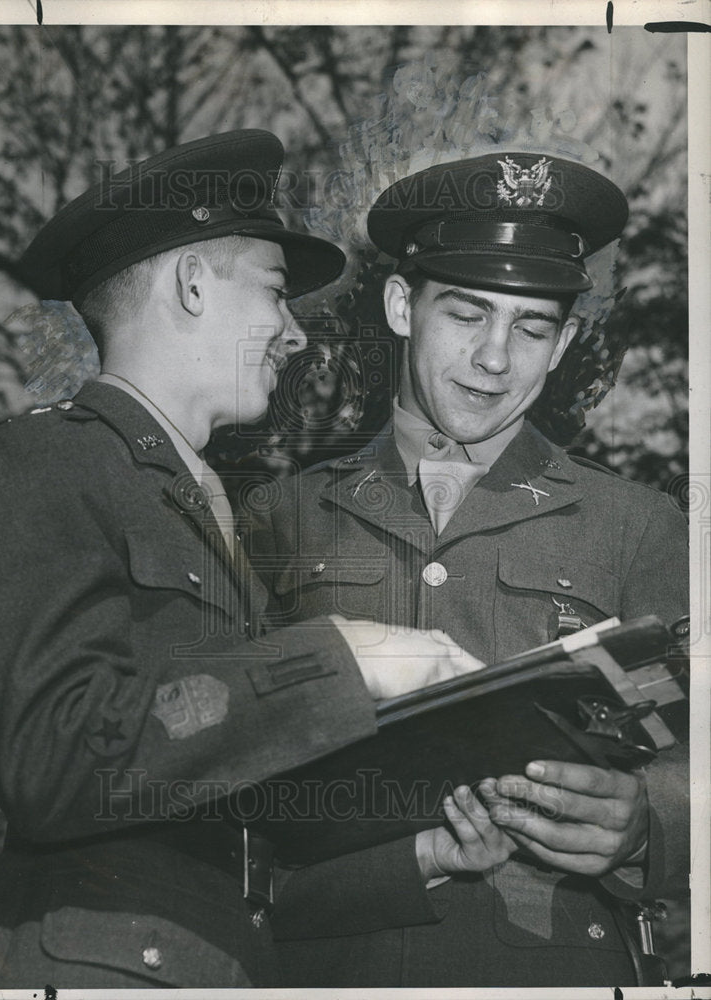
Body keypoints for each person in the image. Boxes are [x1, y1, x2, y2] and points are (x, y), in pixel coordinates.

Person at [0, 130, 485, 989]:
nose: (293, 335)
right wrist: (334, 657)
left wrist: (421, 854)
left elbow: (223, 845)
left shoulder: (195, 507)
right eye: (274, 294)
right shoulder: (41, 464)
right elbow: (50, 756)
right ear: (193, 285)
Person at [248, 151, 690, 987]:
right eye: (467, 313)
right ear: (399, 307)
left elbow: (693, 751)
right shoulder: (279, 516)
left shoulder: (639, 524)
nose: (495, 358)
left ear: (562, 344)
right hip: (326, 967)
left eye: (531, 328)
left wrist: (648, 825)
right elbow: (226, 793)